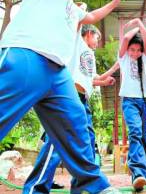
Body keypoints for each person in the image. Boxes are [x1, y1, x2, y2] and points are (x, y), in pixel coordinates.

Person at [0, 0, 123, 193]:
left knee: (75, 127)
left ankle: (92, 186)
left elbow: (92, 16)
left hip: (58, 74)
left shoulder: (72, 9)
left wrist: (113, 4)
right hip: (26, 56)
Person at [23, 24, 118, 193]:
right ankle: (36, 187)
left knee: (87, 141)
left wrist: (111, 72)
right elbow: (77, 23)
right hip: (69, 98)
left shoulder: (90, 55)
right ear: (88, 34)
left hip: (84, 101)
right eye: (97, 37)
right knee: (57, 143)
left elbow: (92, 78)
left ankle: (80, 187)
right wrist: (81, 12)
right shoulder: (77, 43)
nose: (98, 42)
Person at [118, 18, 146, 192]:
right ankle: (137, 173)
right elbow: (125, 39)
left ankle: (143, 175)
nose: (135, 53)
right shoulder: (124, 58)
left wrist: (140, 23)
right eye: (132, 50)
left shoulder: (144, 58)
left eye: (138, 50)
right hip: (129, 101)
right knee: (135, 132)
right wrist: (133, 27)